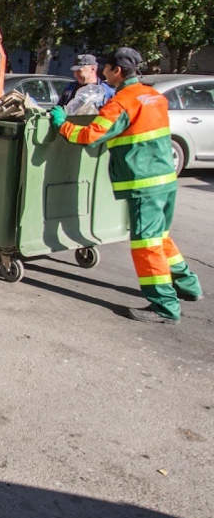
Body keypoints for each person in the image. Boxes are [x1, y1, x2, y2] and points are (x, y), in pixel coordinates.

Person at [49, 47, 203, 323]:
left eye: (106, 67)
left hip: (143, 182)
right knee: (160, 236)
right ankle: (189, 286)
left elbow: (89, 136)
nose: (103, 72)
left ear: (116, 71)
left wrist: (63, 125)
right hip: (165, 178)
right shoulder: (154, 97)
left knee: (146, 244)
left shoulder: (122, 102)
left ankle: (164, 307)